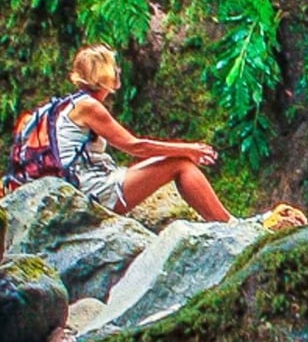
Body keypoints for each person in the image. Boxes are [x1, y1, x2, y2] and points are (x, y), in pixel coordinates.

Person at [55, 44, 231, 223]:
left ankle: (223, 222)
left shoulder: (74, 103)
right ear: (102, 74)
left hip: (86, 183)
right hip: (94, 191)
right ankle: (227, 224)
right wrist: (188, 149)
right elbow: (136, 146)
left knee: (177, 160)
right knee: (180, 163)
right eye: (113, 67)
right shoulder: (89, 107)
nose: (118, 70)